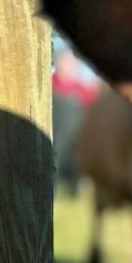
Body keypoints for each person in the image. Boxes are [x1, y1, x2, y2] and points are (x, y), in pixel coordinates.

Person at [50, 41, 98, 198]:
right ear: (58, 62)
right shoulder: (49, 84)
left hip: (75, 142)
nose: (68, 66)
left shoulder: (83, 91)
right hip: (53, 138)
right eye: (65, 62)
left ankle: (74, 192)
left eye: (72, 63)